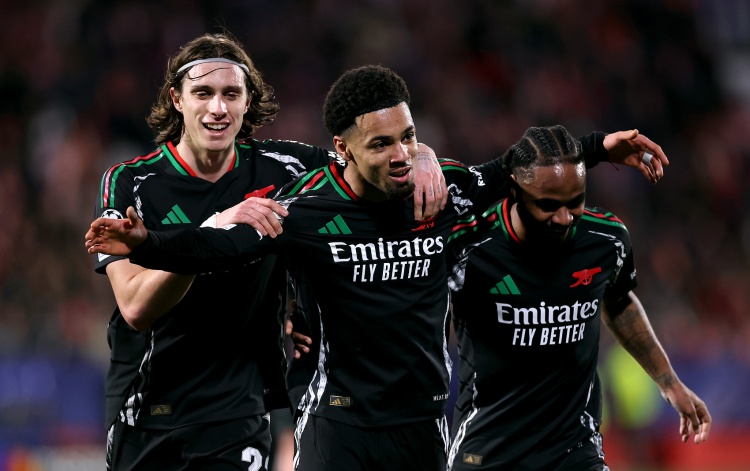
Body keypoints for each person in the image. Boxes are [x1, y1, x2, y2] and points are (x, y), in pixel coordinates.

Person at [85, 65, 668, 471]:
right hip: (338, 427)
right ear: (342, 149)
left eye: (408, 138)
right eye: (381, 144)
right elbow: (221, 249)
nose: (400, 155)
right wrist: (149, 243)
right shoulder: (303, 209)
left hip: (423, 423)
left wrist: (596, 148)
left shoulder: (440, 193)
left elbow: (514, 170)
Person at [94, 33, 448, 471]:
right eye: (203, 93)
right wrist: (214, 227)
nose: (218, 108)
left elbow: (370, 150)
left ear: (248, 101)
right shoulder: (131, 182)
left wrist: (423, 155)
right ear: (177, 99)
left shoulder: (288, 167)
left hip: (240, 408)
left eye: (231, 94)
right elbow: (135, 307)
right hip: (148, 407)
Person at [445, 125, 711, 470]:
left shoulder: (606, 240)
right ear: (514, 190)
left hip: (574, 450)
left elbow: (618, 303)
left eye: (575, 202)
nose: (563, 218)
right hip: (487, 451)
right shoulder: (468, 248)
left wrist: (669, 382)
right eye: (547, 205)